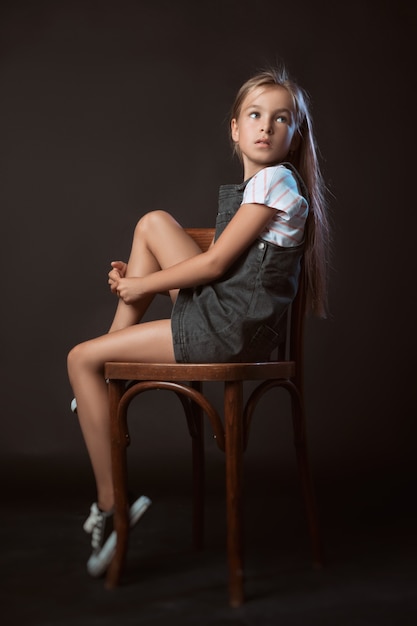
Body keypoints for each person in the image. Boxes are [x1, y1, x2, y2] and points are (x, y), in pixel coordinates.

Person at [67, 65, 330, 578]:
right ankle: (108, 365)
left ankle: (112, 507)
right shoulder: (265, 187)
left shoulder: (276, 182)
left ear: (295, 135)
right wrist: (141, 272)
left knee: (79, 357)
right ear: (235, 128)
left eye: (281, 119)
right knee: (152, 224)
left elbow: (212, 265)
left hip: (225, 329)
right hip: (227, 313)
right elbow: (223, 265)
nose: (266, 126)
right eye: (255, 115)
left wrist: (141, 285)